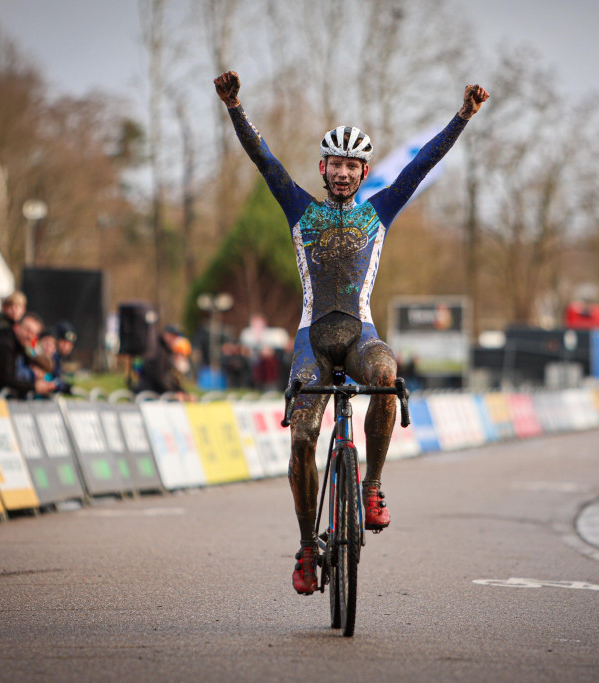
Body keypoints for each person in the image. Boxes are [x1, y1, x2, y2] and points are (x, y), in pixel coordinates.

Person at [215, 69, 489, 594]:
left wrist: (462, 117)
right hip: (313, 339)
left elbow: (421, 164)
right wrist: (234, 106)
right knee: (301, 437)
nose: (343, 173)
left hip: (360, 334)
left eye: (352, 165)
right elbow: (263, 159)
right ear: (322, 167)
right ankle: (305, 548)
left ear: (364, 172)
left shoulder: (379, 213)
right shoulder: (300, 210)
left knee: (386, 374)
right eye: (335, 164)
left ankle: (372, 488)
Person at [0, 311, 55, 398]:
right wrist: (34, 386)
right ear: (16, 327)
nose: (30, 336)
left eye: (34, 333)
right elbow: (6, 379)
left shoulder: (22, 345)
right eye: (28, 330)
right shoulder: (5, 344)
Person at [132, 325, 190, 395]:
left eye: (176, 337)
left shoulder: (166, 351)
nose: (174, 339)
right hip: (149, 393)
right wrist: (175, 393)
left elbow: (168, 379)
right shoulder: (157, 350)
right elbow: (159, 378)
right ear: (165, 335)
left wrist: (182, 392)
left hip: (155, 392)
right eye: (172, 336)